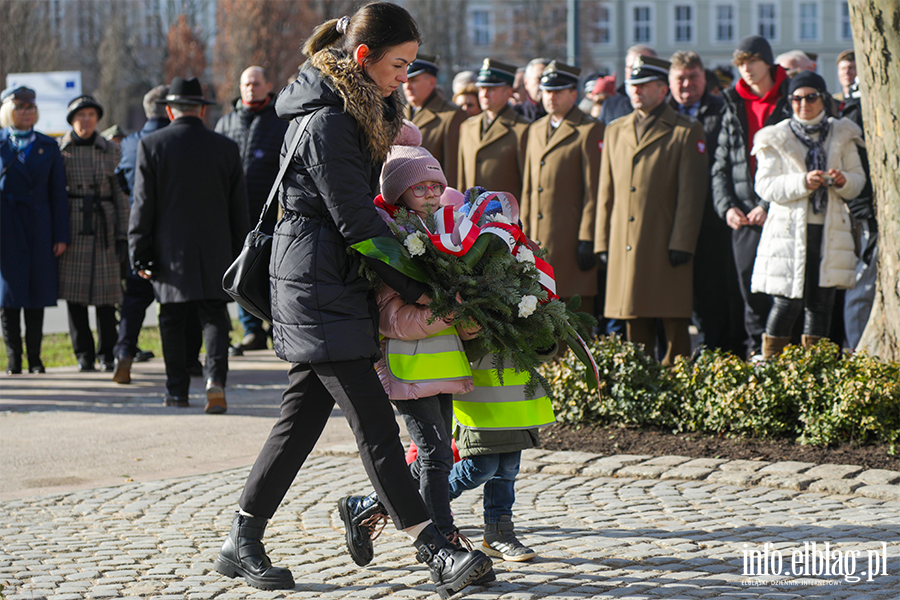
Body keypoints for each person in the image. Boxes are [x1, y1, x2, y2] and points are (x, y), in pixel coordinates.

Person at [212, 5, 492, 596]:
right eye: (398, 65)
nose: (406, 77)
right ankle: (434, 549)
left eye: (412, 65)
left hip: (330, 282)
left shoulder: (352, 111)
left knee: (298, 423)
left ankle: (242, 538)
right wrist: (424, 287)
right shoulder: (330, 122)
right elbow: (358, 223)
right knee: (375, 425)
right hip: (317, 286)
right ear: (363, 59)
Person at [339, 134, 482, 567]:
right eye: (421, 187)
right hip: (408, 369)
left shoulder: (449, 238)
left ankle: (364, 506)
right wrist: (447, 314)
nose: (433, 194)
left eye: (437, 186)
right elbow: (391, 319)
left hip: (445, 363)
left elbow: (464, 323)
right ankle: (443, 536)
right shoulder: (393, 246)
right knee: (436, 454)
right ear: (399, 192)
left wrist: (473, 315)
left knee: (436, 454)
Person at [129, 76, 250, 413]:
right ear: (201, 110)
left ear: (169, 110)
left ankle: (176, 391)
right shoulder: (225, 147)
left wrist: (138, 250)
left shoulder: (151, 146)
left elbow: (143, 205)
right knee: (214, 316)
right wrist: (243, 251)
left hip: (169, 253)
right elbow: (238, 208)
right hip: (216, 249)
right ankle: (215, 382)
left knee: (172, 319)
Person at [595, 56, 708, 366]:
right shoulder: (616, 129)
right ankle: (641, 387)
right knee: (634, 316)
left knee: (673, 320)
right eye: (633, 85)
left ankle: (676, 386)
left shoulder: (686, 130)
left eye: (644, 86)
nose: (636, 92)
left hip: (664, 238)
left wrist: (682, 243)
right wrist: (602, 241)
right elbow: (606, 191)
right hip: (626, 240)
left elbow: (691, 193)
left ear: (662, 90)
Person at [750, 71, 866, 358]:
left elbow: (857, 181)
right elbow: (765, 186)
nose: (804, 104)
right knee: (786, 304)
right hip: (788, 232)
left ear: (823, 98)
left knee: (822, 303)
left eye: (811, 97)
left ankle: (815, 372)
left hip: (830, 230)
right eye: (797, 98)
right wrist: (802, 182)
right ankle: (772, 369)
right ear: (790, 102)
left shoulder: (843, 133)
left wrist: (842, 181)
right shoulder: (775, 136)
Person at [112, 85, 202, 384]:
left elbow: (125, 186)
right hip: (178, 235)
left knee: (135, 298)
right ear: (170, 108)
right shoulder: (182, 141)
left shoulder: (129, 144)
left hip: (141, 232)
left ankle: (124, 352)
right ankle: (189, 362)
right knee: (184, 302)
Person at [712, 35, 791, 360]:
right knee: (750, 290)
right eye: (740, 63)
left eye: (752, 61)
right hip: (743, 215)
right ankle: (756, 357)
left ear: (768, 62)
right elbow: (720, 165)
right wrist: (726, 206)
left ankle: (786, 359)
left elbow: (796, 160)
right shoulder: (732, 102)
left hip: (784, 210)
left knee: (785, 292)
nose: (745, 69)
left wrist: (766, 205)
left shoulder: (790, 99)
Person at [668, 51, 745, 357]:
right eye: (680, 79)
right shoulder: (664, 114)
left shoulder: (721, 110)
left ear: (704, 78)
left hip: (713, 219)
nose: (687, 84)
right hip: (673, 219)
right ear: (670, 83)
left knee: (716, 289)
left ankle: (719, 350)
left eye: (693, 77)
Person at [215, 66, 290, 355]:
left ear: (268, 85)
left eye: (256, 83)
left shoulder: (280, 122)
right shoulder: (226, 123)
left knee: (273, 272)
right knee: (242, 271)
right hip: (235, 213)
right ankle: (251, 330)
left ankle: (276, 328)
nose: (251, 88)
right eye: (246, 83)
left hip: (272, 213)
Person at [521, 61, 603, 315]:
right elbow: (529, 188)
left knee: (574, 318)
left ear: (573, 94)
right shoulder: (535, 130)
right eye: (547, 91)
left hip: (571, 242)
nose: (551, 97)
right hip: (539, 242)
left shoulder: (589, 130)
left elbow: (595, 190)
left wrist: (587, 238)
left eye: (558, 90)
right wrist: (521, 234)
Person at [57, 95, 129, 372]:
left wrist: (123, 235)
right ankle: (83, 353)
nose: (85, 120)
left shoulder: (111, 150)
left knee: (106, 296)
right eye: (80, 115)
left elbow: (121, 196)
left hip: (104, 225)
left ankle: (107, 352)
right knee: (74, 296)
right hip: (73, 224)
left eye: (91, 114)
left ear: (97, 119)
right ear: (71, 119)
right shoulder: (60, 150)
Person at [0, 86, 69, 375]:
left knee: (37, 295)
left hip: (40, 227)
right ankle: (14, 359)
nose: (26, 112)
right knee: (9, 297)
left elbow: (58, 195)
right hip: (7, 228)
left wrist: (60, 235)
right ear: (7, 110)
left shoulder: (47, 146)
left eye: (30, 107)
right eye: (19, 107)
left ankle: (36, 360)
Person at [458, 58, 531, 203]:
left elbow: (528, 184)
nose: (484, 94)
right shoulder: (467, 127)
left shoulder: (522, 129)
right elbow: (462, 179)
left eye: (491, 89)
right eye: (482, 88)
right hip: (471, 217)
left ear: (509, 92)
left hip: (504, 218)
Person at [403, 54, 466, 185]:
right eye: (405, 81)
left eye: (414, 80)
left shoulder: (451, 115)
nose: (407, 87)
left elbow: (452, 170)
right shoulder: (400, 114)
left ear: (431, 82)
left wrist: (448, 203)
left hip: (431, 199)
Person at [598, 45, 657, 126]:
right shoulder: (610, 105)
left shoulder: (666, 101)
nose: (635, 72)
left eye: (640, 68)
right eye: (631, 67)